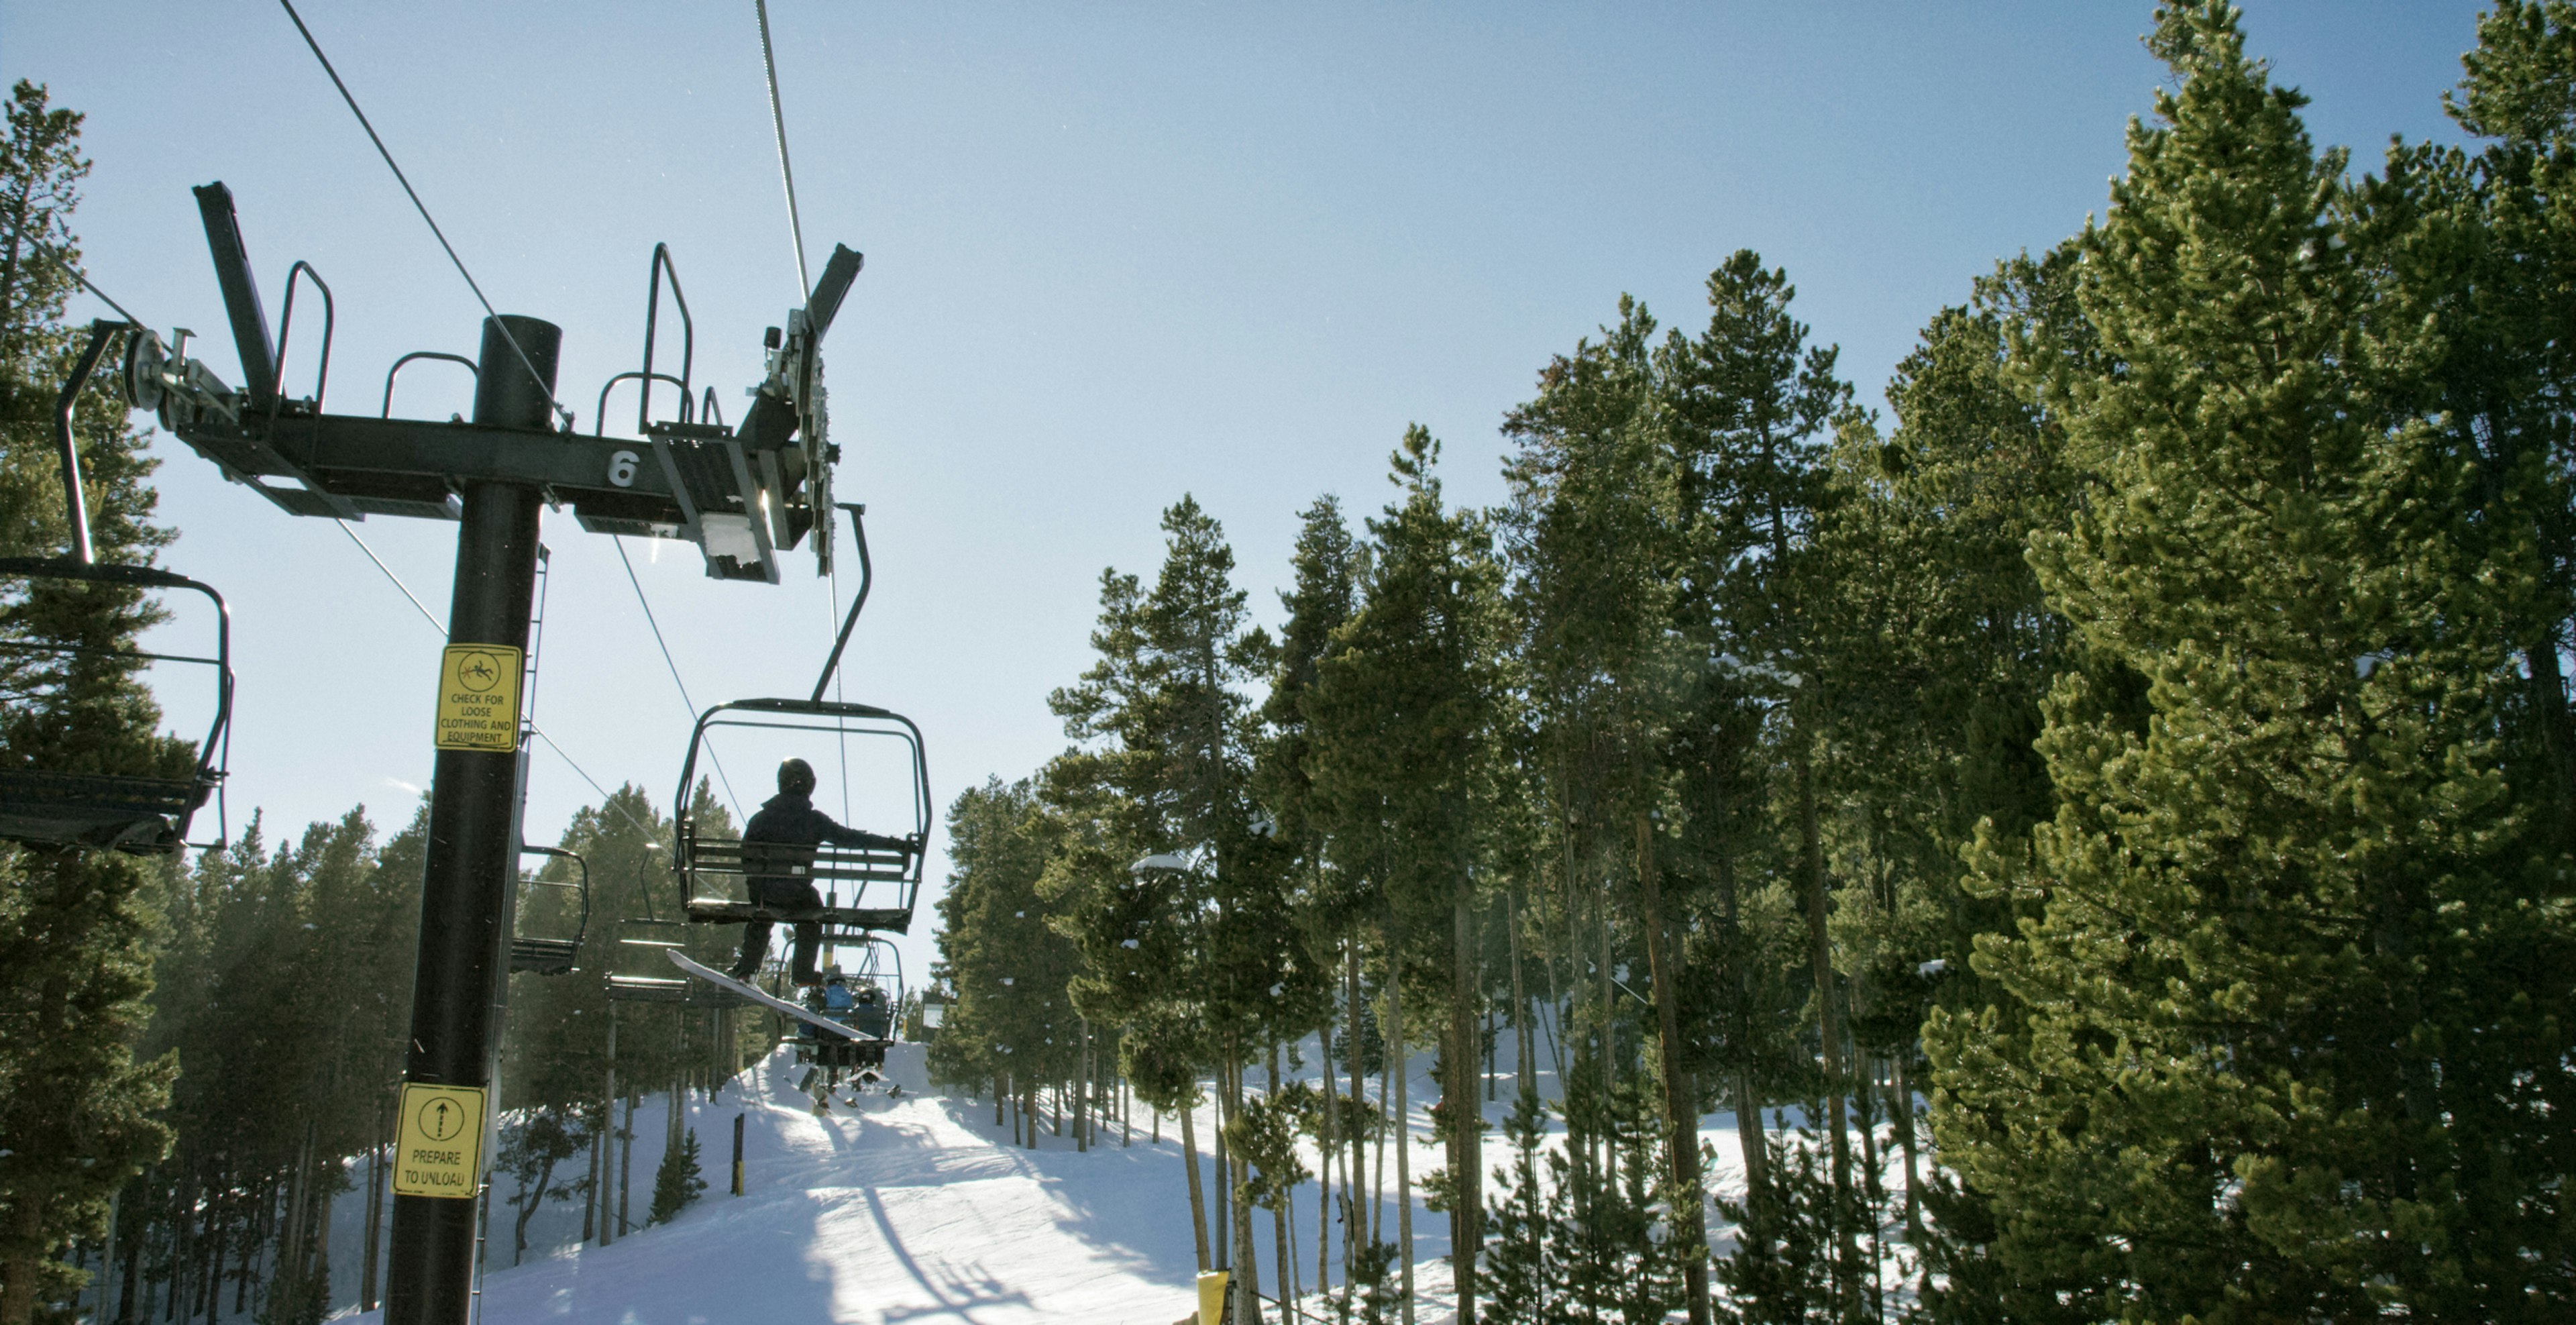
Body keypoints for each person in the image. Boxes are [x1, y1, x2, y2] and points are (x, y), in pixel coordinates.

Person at [729, 758, 914, 983]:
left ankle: (747, 968)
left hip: (765, 892)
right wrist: (893, 844)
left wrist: (758, 884)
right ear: (810, 786)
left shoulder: (760, 819)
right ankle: (803, 972)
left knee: (762, 912)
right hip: (798, 894)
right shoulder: (814, 821)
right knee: (812, 914)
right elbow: (848, 838)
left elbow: (746, 857)